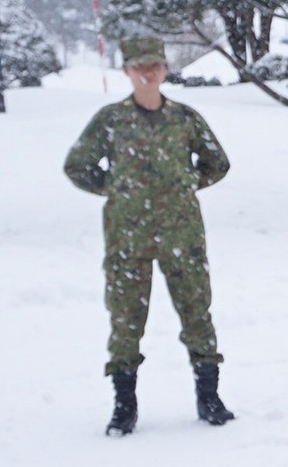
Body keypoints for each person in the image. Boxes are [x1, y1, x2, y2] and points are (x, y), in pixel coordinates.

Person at [63, 33, 235, 435]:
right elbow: (78, 165)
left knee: (196, 312)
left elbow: (217, 163)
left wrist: (183, 185)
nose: (147, 72)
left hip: (182, 233)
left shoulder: (184, 118)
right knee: (125, 319)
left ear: (164, 69)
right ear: (126, 71)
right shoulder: (111, 120)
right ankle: (124, 405)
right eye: (139, 66)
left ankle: (209, 397)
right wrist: (116, 189)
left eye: (154, 65)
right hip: (128, 237)